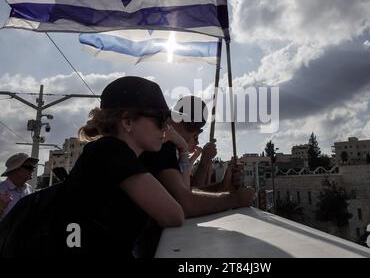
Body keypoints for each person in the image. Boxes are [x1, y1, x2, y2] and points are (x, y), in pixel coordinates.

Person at [47, 76, 184, 257]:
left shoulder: (107, 152)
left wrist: (183, 151)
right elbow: (174, 215)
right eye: (160, 119)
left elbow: (181, 199)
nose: (166, 128)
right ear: (127, 122)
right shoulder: (110, 151)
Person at [139, 96, 255, 219]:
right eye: (162, 119)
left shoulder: (170, 147)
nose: (169, 124)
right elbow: (184, 203)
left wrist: (223, 186)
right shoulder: (162, 146)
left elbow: (188, 191)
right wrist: (236, 199)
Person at [0, 153, 38, 222]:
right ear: (16, 169)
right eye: (30, 167)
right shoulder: (1, 189)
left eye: (33, 167)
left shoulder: (29, 188)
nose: (33, 170)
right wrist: (1, 207)